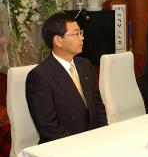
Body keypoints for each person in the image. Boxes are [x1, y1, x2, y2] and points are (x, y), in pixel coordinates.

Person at [26, 12, 108, 144]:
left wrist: (104, 134)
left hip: (94, 141)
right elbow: (49, 128)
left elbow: (98, 106)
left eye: (81, 33)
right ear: (58, 41)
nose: (82, 38)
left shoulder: (85, 65)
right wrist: (78, 145)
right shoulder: (40, 76)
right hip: (63, 147)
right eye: (76, 34)